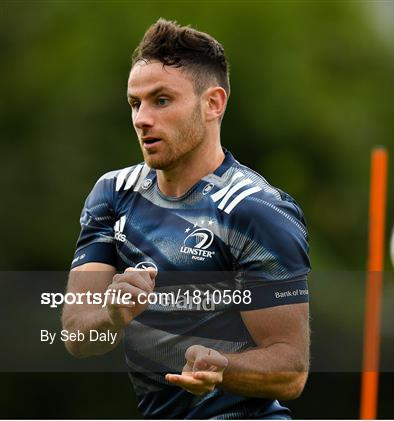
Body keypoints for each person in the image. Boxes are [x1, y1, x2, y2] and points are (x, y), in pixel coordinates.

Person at [62, 18, 310, 419]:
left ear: (213, 103)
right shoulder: (112, 194)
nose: (142, 118)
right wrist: (112, 314)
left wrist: (221, 366)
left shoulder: (256, 211)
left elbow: (291, 371)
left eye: (161, 100)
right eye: (135, 103)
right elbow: (76, 333)